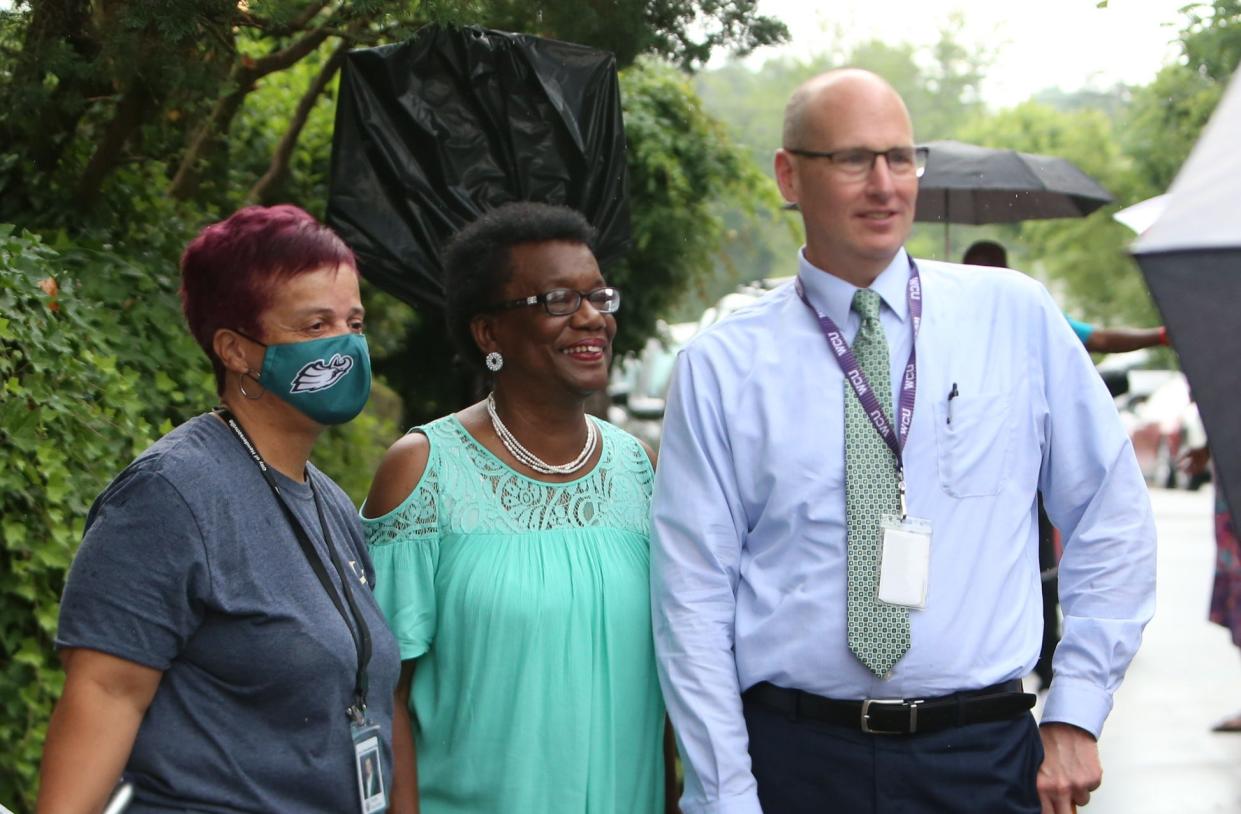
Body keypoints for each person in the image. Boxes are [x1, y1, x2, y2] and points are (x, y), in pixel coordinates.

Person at [650, 69, 1156, 814]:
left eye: (899, 157)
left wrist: (1076, 707)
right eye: (853, 160)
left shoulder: (1013, 319)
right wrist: (723, 794)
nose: (884, 185)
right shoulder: (720, 366)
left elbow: (1109, 516)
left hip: (980, 758)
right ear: (789, 175)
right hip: (796, 761)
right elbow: (691, 594)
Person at [36, 205, 401, 813]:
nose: (346, 346)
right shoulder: (171, 494)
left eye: (354, 322)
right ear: (235, 350)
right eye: (315, 326)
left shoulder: (330, 502)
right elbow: (105, 695)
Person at [362, 202, 673, 813]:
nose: (590, 320)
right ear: (489, 333)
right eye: (558, 301)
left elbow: (668, 668)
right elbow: (383, 692)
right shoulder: (423, 468)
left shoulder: (638, 467)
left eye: (598, 297)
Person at [963, 237, 1168, 690]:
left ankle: (1046, 656)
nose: (986, 280)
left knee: (1042, 567)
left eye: (994, 270)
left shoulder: (1028, 319)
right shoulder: (939, 329)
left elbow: (1099, 338)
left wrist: (1158, 335)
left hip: (1025, 478)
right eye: (977, 270)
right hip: (968, 486)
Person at [961, 240, 1169, 354]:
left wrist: (1160, 336)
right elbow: (1100, 340)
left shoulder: (1030, 313)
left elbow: (1100, 340)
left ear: (1006, 272)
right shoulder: (949, 317)